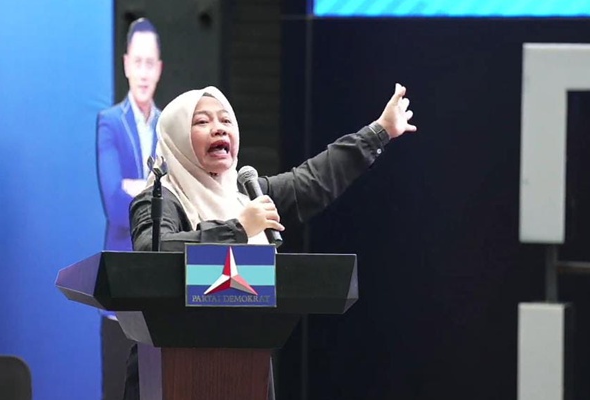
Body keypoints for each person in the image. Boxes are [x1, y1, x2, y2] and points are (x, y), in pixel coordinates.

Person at [122, 84, 417, 399]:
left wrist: (380, 131)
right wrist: (237, 229)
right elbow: (152, 253)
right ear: (176, 136)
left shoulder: (247, 196)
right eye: (202, 121)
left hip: (246, 367)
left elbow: (313, 180)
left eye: (226, 120)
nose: (218, 128)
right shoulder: (158, 198)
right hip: (171, 369)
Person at [96, 17, 163, 251]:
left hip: (161, 254)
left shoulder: (167, 125)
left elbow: (180, 200)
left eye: (149, 63)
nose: (143, 74)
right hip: (121, 254)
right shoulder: (110, 122)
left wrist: (135, 187)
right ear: (126, 65)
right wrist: (155, 195)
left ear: (159, 69)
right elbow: (115, 206)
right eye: (137, 62)